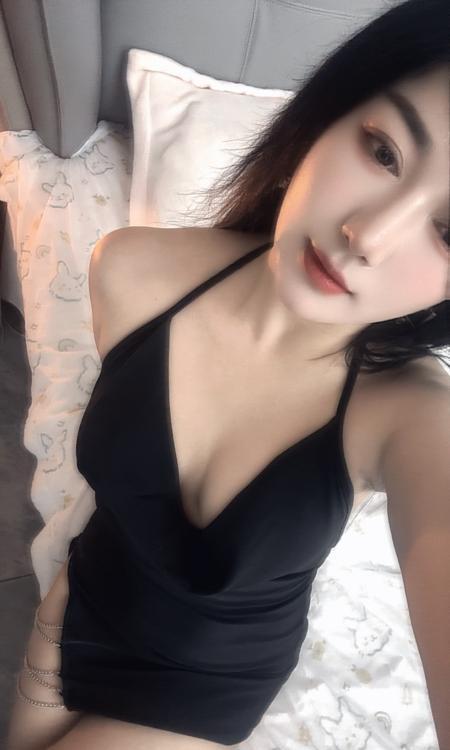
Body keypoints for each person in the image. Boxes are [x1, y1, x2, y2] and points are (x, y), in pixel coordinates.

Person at [7, 0, 449, 748]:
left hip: (203, 686)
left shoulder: (410, 416)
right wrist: (53, 630)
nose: (368, 236)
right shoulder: (132, 270)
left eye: (449, 233)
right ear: (326, 116)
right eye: (382, 151)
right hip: (77, 609)